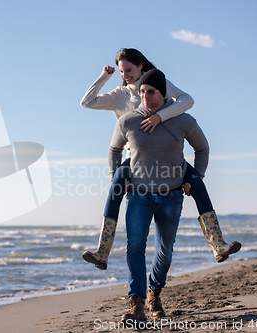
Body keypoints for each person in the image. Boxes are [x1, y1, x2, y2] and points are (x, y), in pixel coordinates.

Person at [80, 48, 240, 270]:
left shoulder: (155, 83)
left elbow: (187, 100)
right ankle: (102, 251)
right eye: (121, 71)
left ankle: (218, 245)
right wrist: (103, 78)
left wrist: (159, 116)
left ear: (140, 66)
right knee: (116, 183)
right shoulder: (119, 95)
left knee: (198, 183)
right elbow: (87, 102)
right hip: (134, 158)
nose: (125, 74)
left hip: (168, 156)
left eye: (129, 69)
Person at [113, 69, 208, 321]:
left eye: (150, 92)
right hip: (139, 194)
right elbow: (114, 149)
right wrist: (118, 177)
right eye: (142, 92)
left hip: (171, 195)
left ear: (162, 93)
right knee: (134, 246)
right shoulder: (128, 121)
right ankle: (137, 304)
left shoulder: (183, 120)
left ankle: (154, 291)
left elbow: (202, 148)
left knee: (165, 250)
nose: (145, 96)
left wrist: (195, 179)